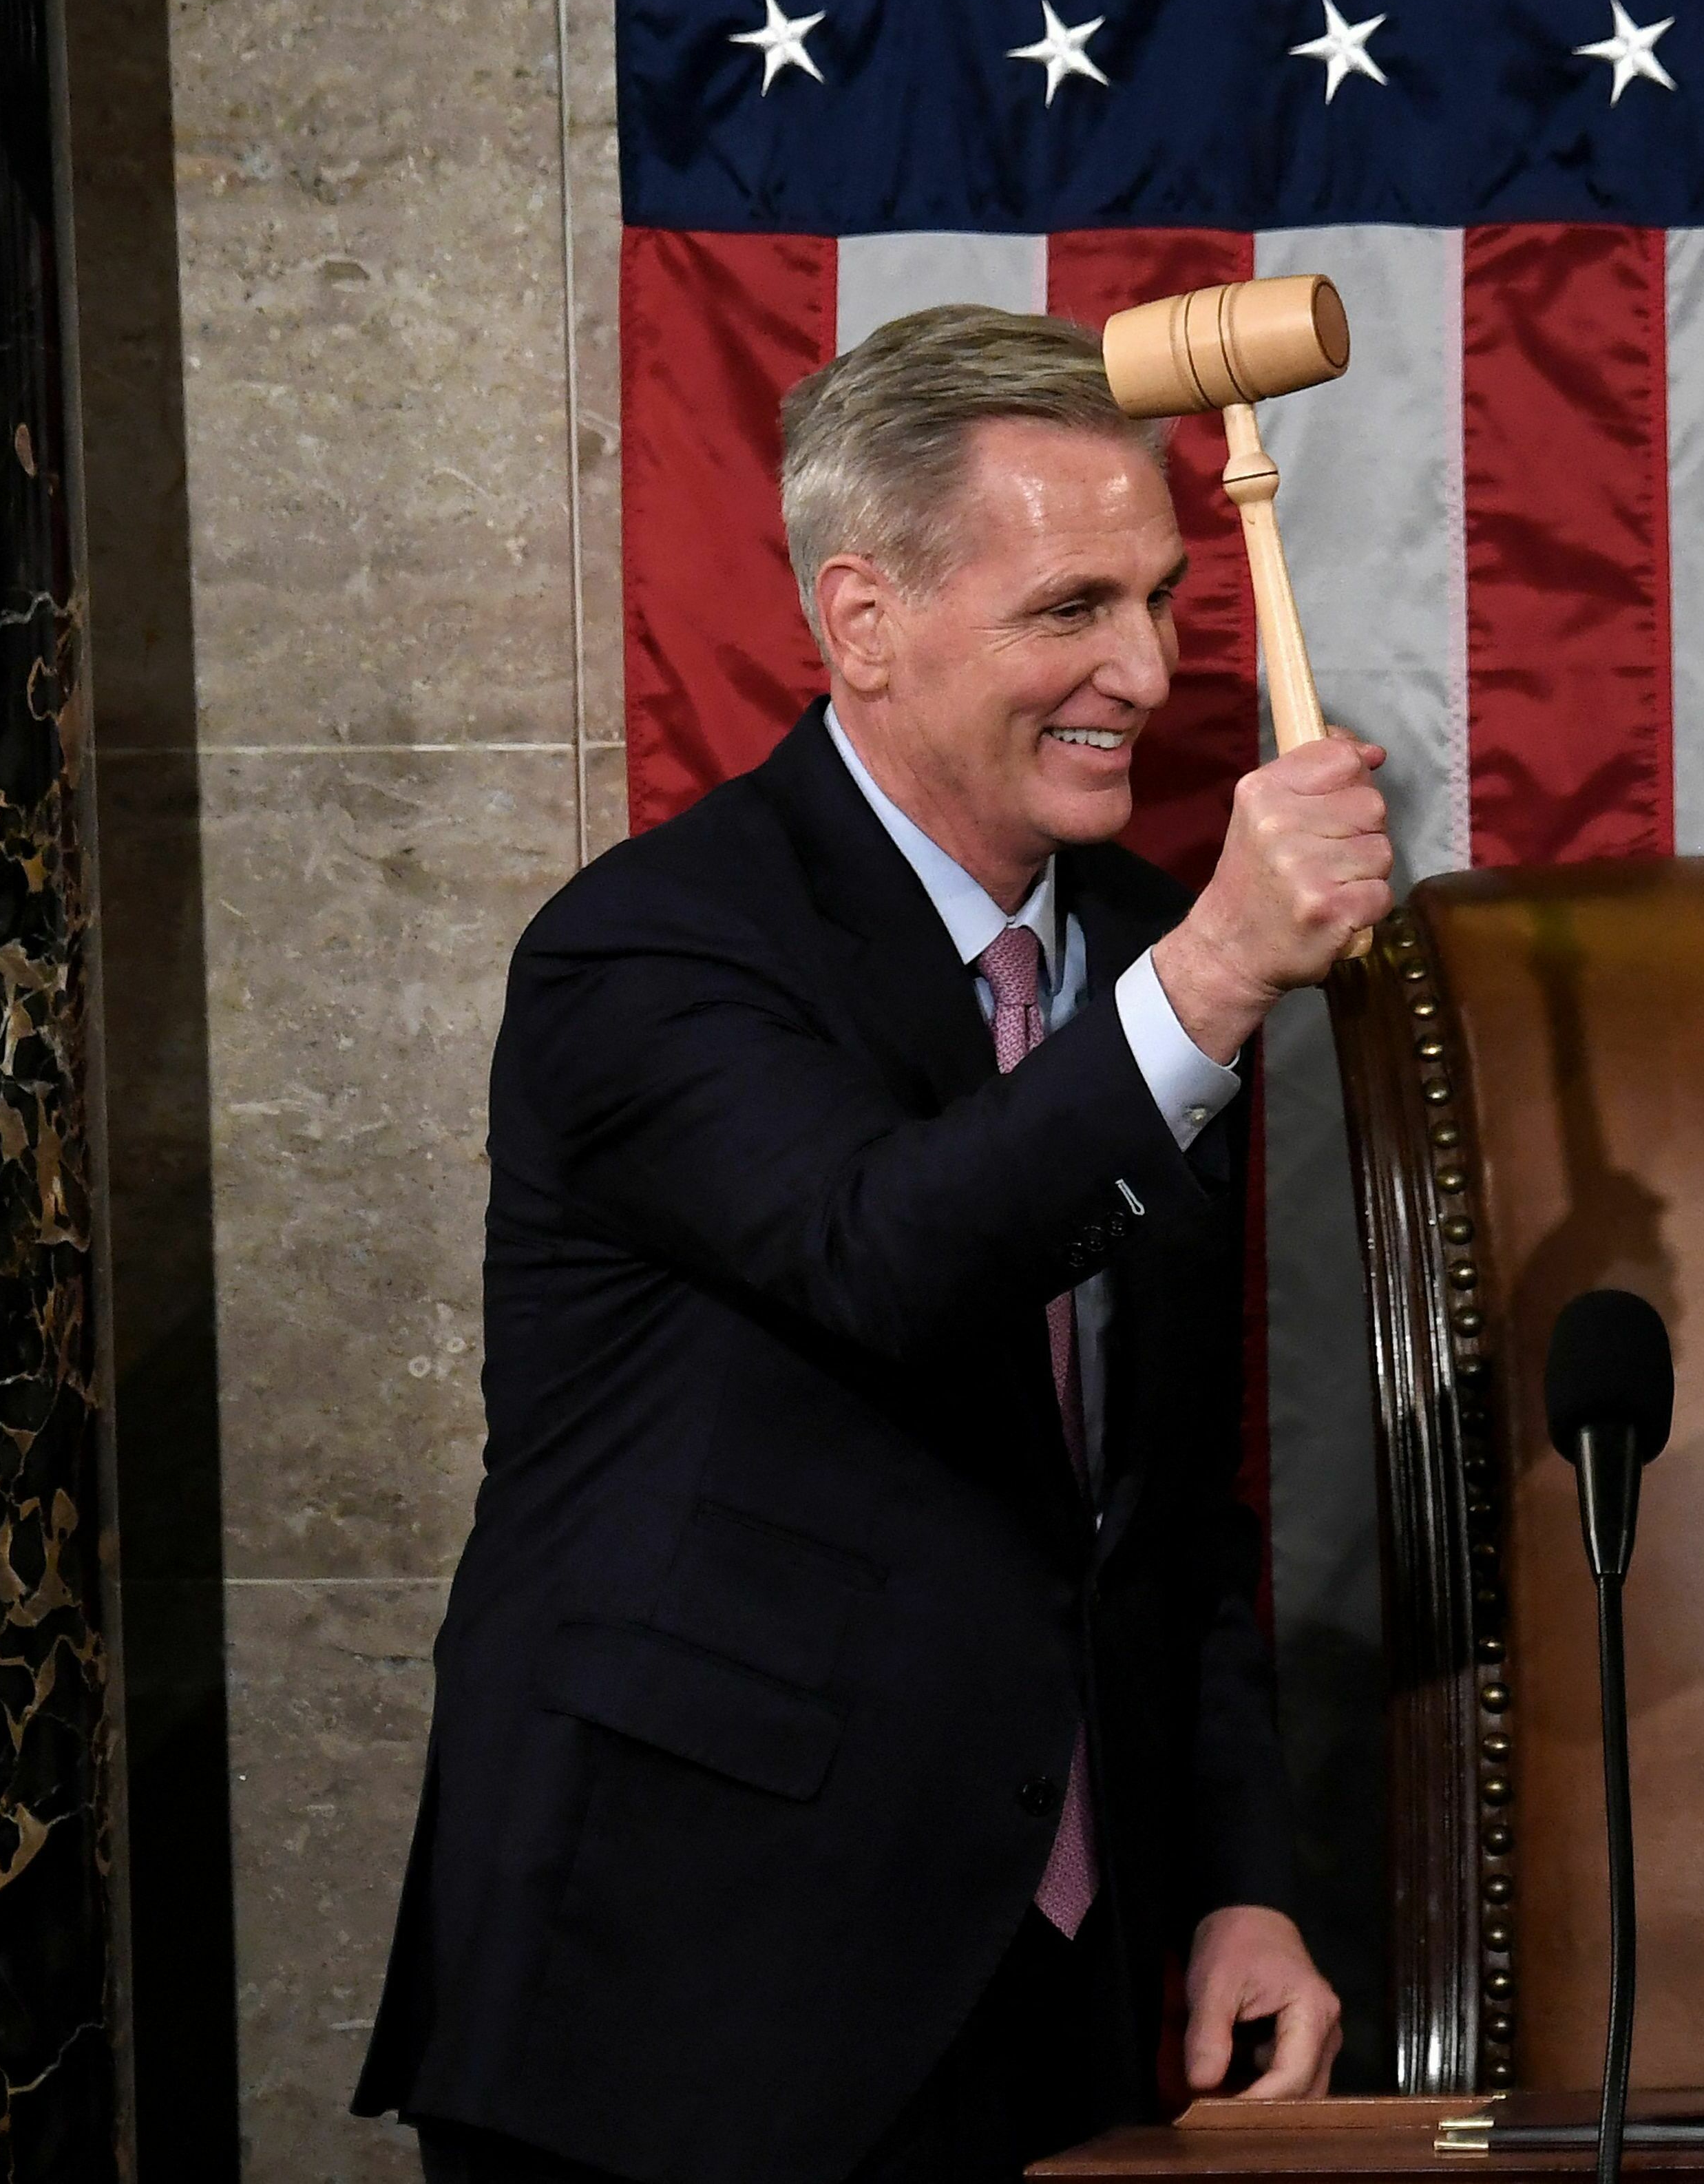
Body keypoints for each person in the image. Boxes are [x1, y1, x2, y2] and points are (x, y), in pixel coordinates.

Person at [351, 304, 1389, 2184]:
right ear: (862, 622)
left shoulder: (1144, 944)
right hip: (692, 2010)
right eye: (1072, 608)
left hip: (1076, 2006)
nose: (1150, 671)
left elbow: (1163, 1502)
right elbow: (886, 1253)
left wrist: (1239, 1881)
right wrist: (1221, 974)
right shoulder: (648, 948)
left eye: (1161, 598)